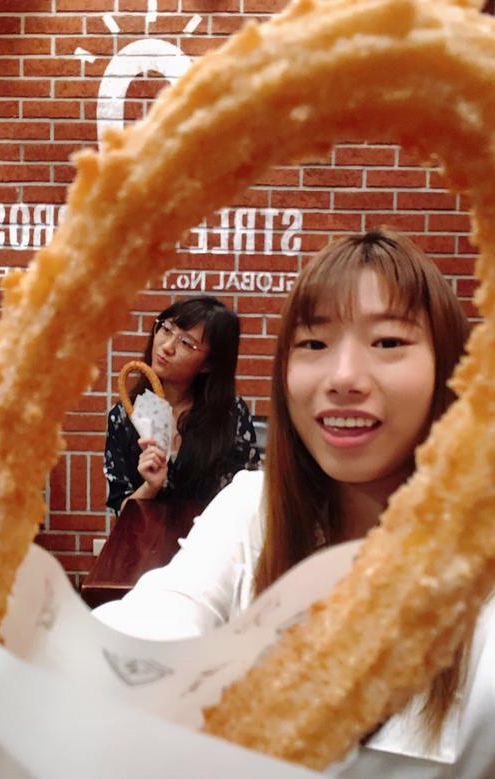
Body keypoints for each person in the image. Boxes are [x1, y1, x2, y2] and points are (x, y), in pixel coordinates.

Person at [95, 229, 495, 777]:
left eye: (387, 342)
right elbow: (165, 611)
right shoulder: (250, 509)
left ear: (448, 366)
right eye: (314, 344)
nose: (344, 377)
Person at [104, 295, 260, 515]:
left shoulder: (230, 414)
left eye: (186, 343)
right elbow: (121, 512)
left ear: (208, 364)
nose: (167, 346)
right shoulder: (124, 414)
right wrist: (150, 486)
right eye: (166, 329)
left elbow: (246, 499)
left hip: (212, 534)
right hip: (145, 536)